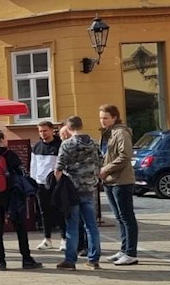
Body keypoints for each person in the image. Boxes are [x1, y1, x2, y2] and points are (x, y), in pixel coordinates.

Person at [0, 131, 43, 271]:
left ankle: (1, 261)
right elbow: (22, 172)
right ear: (2, 140)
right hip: (12, 194)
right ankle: (26, 259)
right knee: (20, 226)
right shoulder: (9, 155)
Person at [54, 116, 102, 270]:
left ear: (68, 128)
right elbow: (100, 162)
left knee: (72, 225)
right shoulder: (94, 143)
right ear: (81, 125)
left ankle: (70, 260)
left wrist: (57, 184)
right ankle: (93, 259)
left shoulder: (67, 144)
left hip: (72, 189)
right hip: (89, 187)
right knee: (91, 225)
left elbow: (59, 168)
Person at [99, 104, 139, 265]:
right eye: (101, 118)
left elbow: (125, 155)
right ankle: (124, 249)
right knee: (119, 217)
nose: (102, 121)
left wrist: (106, 169)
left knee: (127, 217)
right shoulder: (108, 133)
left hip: (121, 180)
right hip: (110, 181)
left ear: (115, 117)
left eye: (106, 118)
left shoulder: (121, 132)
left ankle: (131, 253)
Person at [30, 121, 61, 250]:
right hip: (40, 184)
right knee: (44, 212)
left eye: (45, 130)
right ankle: (47, 238)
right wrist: (33, 182)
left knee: (59, 211)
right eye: (40, 131)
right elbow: (33, 165)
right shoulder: (36, 146)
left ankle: (64, 238)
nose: (43, 133)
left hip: (56, 184)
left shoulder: (59, 145)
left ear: (52, 130)